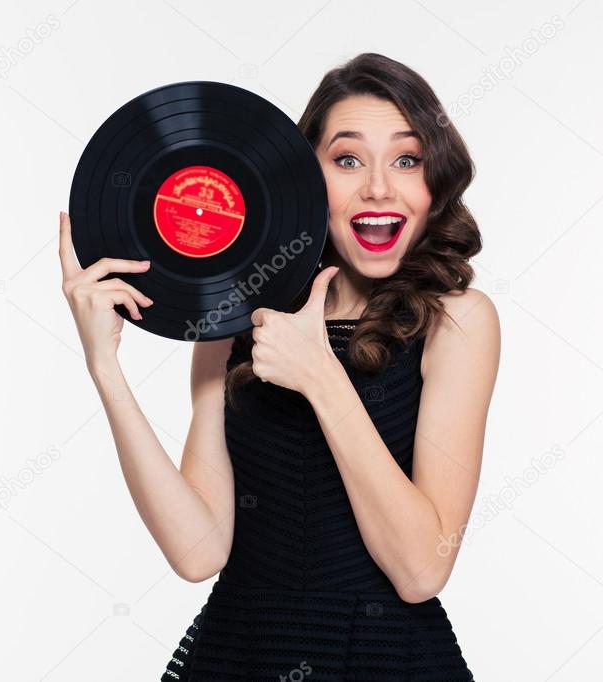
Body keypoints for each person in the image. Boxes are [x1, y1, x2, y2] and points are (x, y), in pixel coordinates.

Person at [59, 52, 499, 681]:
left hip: (383, 660)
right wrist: (105, 368)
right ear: (305, 178)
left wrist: (320, 375)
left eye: (408, 159)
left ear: (435, 181)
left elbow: (420, 571)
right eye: (347, 160)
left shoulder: (458, 321)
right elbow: (197, 549)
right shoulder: (237, 313)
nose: (379, 186)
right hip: (239, 656)